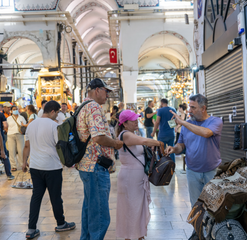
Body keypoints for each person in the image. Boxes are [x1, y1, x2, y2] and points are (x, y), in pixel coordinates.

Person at [76, 78, 123, 240]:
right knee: (101, 215)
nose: (107, 95)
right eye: (106, 91)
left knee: (90, 209)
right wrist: (116, 144)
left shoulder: (82, 106)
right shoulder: (94, 107)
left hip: (86, 165)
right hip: (95, 166)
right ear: (97, 90)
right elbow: (98, 137)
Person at [22, 101, 76, 239]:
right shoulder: (55, 126)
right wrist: (67, 162)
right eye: (57, 112)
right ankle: (61, 223)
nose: (57, 115)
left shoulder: (31, 125)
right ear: (52, 111)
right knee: (55, 197)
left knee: (36, 197)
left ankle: (31, 229)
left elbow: (27, 146)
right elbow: (60, 146)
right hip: (52, 167)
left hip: (35, 167)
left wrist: (24, 162)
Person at [165, 94, 223, 206]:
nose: (189, 111)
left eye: (193, 108)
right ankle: (199, 224)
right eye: (189, 107)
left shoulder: (215, 121)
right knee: (196, 207)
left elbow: (206, 133)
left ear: (203, 108)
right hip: (192, 171)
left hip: (211, 171)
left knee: (214, 206)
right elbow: (181, 146)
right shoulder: (188, 124)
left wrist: (183, 123)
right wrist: (174, 148)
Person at [116, 110, 163, 240]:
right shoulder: (125, 135)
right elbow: (144, 141)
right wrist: (160, 143)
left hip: (137, 177)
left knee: (137, 207)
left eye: (136, 119)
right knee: (131, 208)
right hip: (129, 178)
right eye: (133, 120)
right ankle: (130, 236)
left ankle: (138, 235)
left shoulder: (131, 133)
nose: (136, 121)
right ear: (124, 124)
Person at [0, 101, 14, 181]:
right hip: (0, 137)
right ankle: (9, 174)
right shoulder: (0, 115)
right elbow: (5, 126)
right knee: (4, 155)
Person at [7, 105, 26, 171]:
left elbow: (24, 126)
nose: (15, 110)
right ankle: (13, 166)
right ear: (11, 111)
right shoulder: (9, 118)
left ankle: (22, 164)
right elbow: (6, 127)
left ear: (18, 110)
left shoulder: (22, 118)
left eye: (16, 109)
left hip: (19, 135)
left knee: (21, 150)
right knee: (12, 151)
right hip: (11, 135)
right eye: (14, 109)